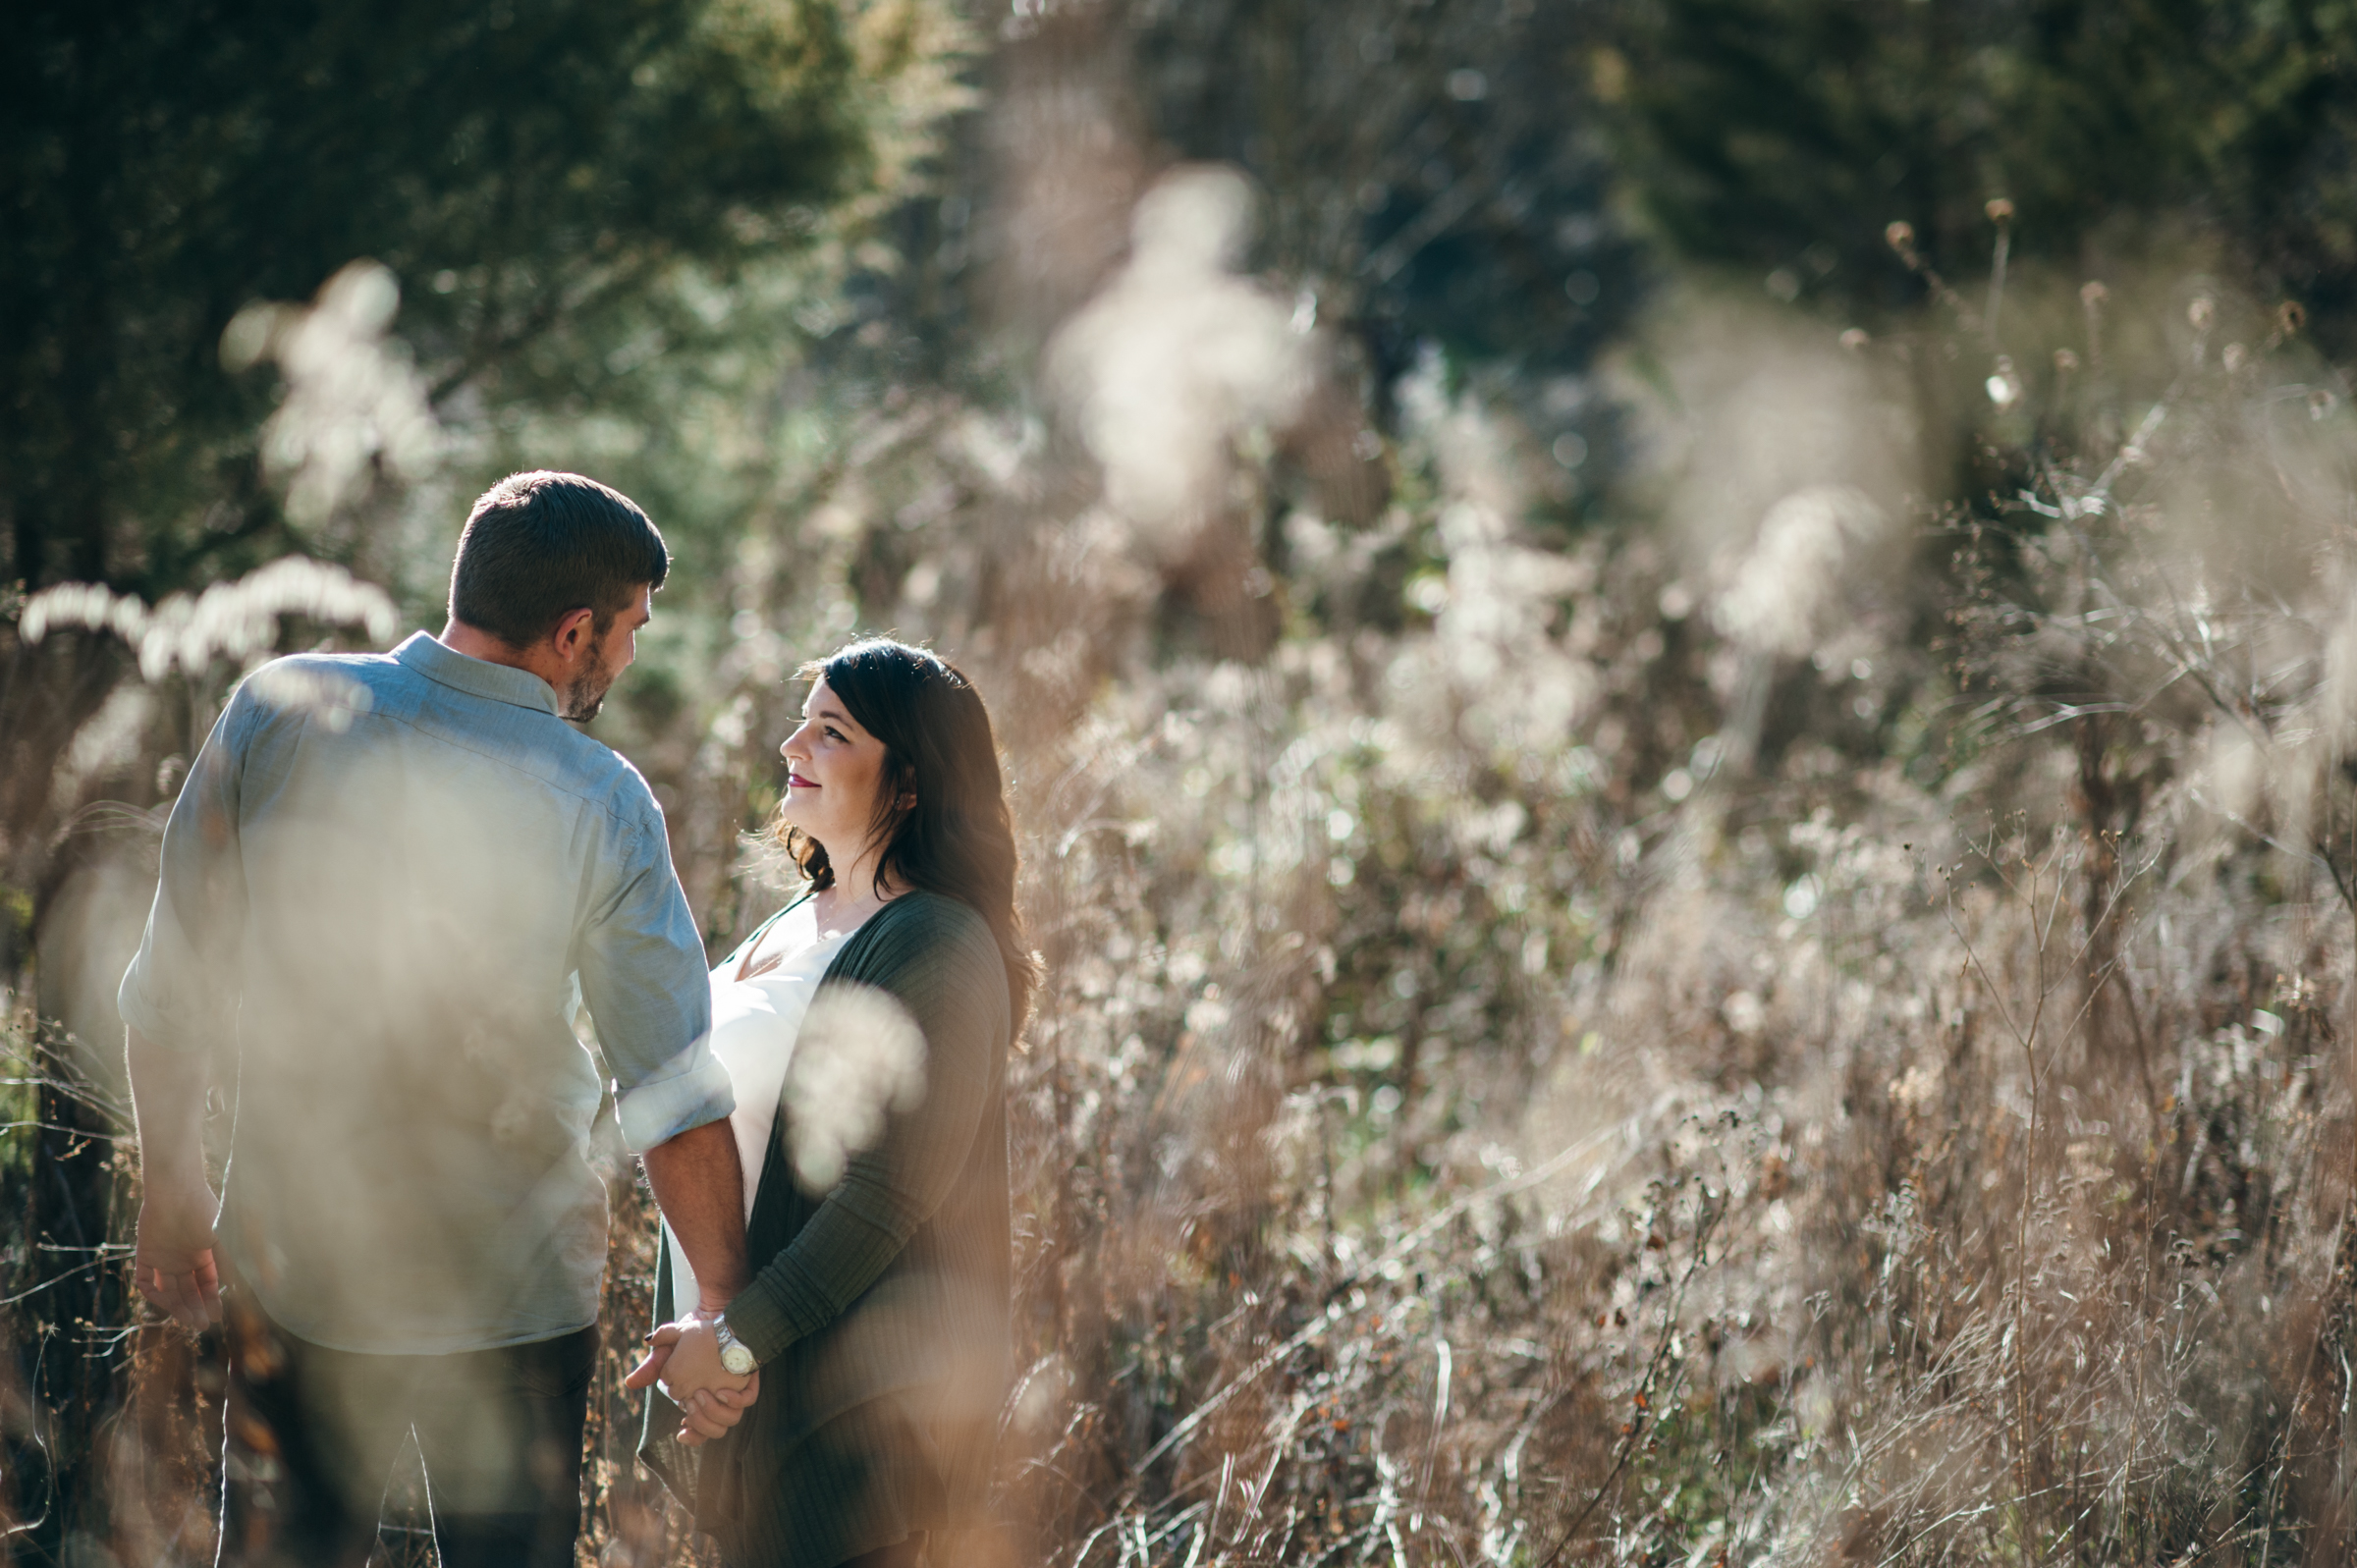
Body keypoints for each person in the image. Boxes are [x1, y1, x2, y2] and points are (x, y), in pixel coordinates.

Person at [122, 471, 757, 1568]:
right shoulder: (602, 800)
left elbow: (175, 980)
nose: (630, 657)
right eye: (631, 631)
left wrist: (173, 1183)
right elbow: (670, 1090)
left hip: (297, 1274)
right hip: (511, 1305)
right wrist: (723, 1306)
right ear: (575, 632)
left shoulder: (278, 707)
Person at [628, 638, 1033, 1568]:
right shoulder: (799, 916)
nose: (792, 744)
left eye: (831, 729)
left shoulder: (937, 941)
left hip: (850, 1416)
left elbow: (888, 1199)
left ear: (910, 783)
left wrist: (734, 1343)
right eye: (801, 719)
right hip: (744, 1380)